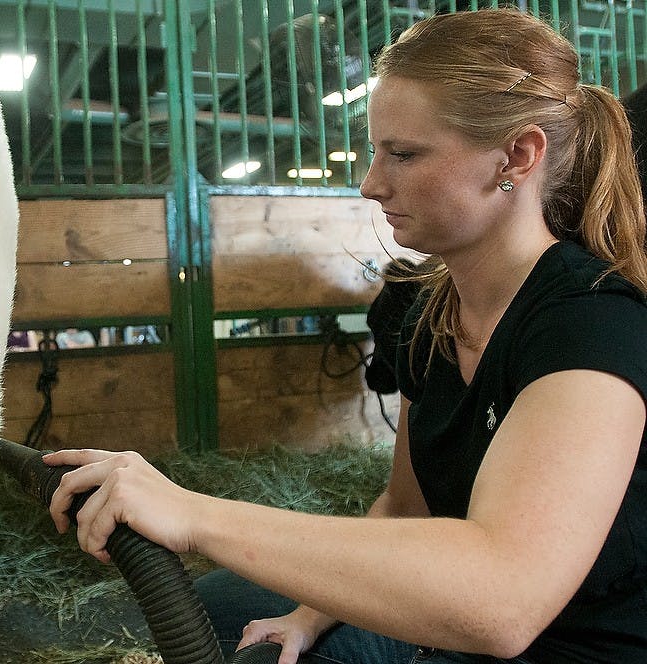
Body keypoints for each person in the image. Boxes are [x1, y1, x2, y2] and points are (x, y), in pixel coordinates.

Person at [44, 8, 647, 663]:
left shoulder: (591, 322)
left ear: (518, 156)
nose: (370, 183)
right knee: (224, 608)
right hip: (449, 627)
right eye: (375, 150)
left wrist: (193, 514)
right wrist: (304, 618)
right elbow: (403, 511)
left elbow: (502, 602)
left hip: (570, 647)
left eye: (405, 154)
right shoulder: (431, 322)